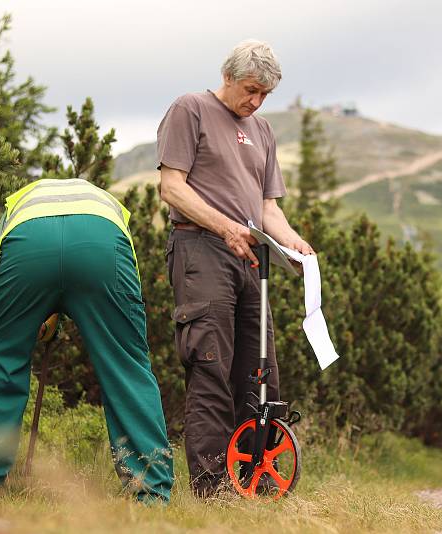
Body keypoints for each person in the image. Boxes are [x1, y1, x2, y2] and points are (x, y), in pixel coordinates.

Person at [0, 177, 173, 502]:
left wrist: (40, 314)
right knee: (126, 367)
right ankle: (149, 490)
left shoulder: (17, 204)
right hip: (101, 240)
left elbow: (13, 285)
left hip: (27, 242)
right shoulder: (107, 205)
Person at [157, 39, 313, 496]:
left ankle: (257, 482)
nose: (256, 101)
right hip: (201, 249)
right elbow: (172, 188)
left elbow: (268, 208)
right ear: (228, 76)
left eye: (265, 94)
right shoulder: (191, 109)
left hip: (252, 257)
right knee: (210, 365)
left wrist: (294, 244)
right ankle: (212, 490)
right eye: (250, 90)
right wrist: (226, 227)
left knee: (260, 371)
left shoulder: (262, 130)